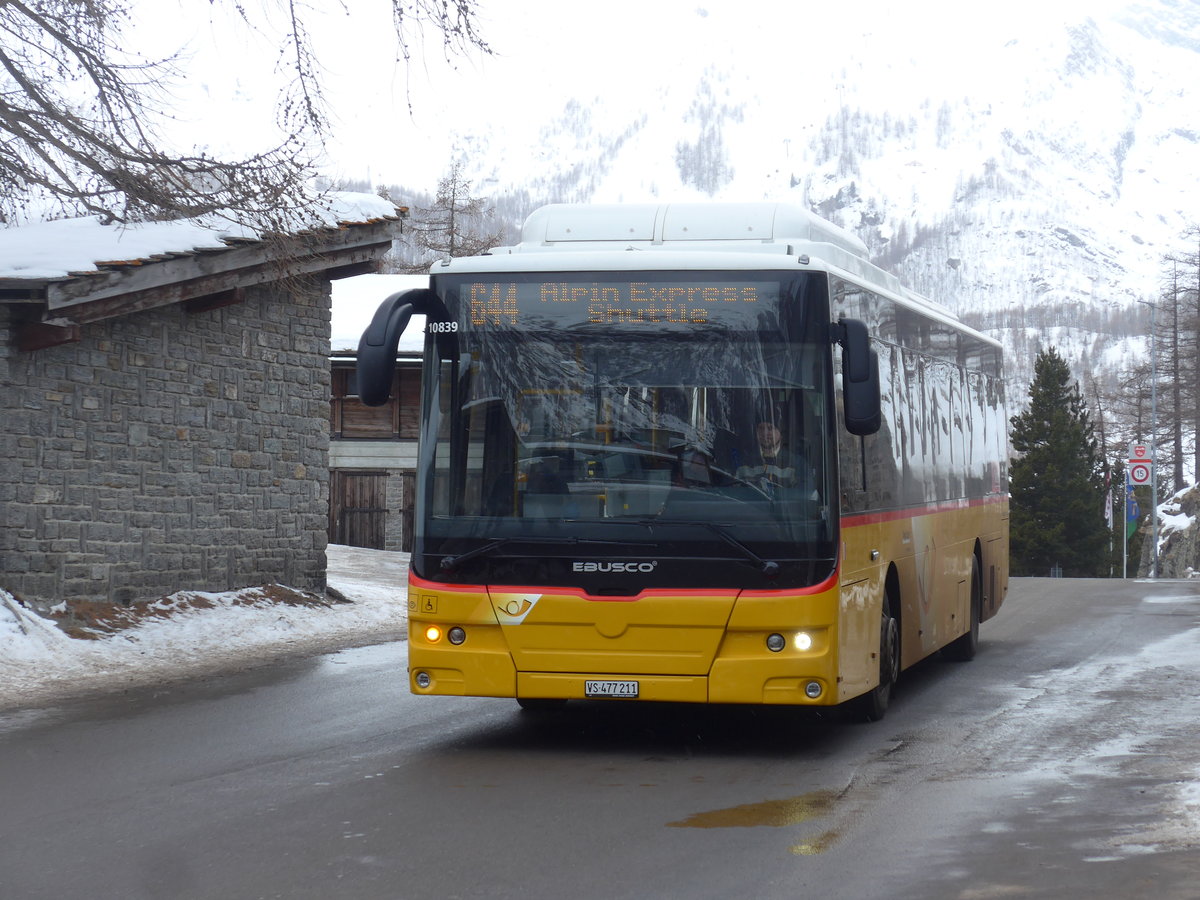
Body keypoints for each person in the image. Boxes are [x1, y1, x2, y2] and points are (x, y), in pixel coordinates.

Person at [736, 421, 797, 489]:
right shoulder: (742, 459)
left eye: (770, 428)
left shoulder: (795, 463)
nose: (765, 433)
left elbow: (802, 494)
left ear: (781, 433)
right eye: (761, 428)